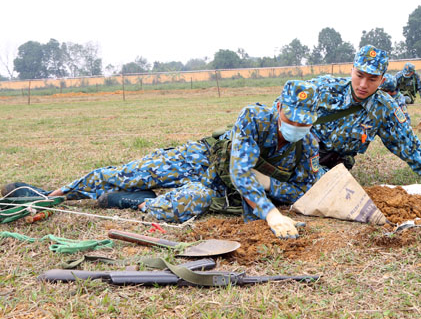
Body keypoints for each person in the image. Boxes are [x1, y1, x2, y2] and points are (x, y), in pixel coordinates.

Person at [2, 81, 323, 239]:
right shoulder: (254, 117)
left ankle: (130, 203)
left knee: (182, 205)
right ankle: (55, 195)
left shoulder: (308, 145)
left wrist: (270, 185)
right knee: (127, 174)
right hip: (199, 160)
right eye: (291, 118)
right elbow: (239, 171)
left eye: (303, 122)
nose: (296, 127)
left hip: (213, 190)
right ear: (278, 106)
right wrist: (268, 211)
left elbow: (305, 192)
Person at [309, 45, 421, 185]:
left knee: (318, 186)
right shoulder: (324, 88)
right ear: (351, 71)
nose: (363, 85)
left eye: (372, 79)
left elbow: (406, 142)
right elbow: (287, 106)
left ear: (382, 80)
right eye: (359, 75)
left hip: (333, 162)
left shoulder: (384, 107)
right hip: (303, 150)